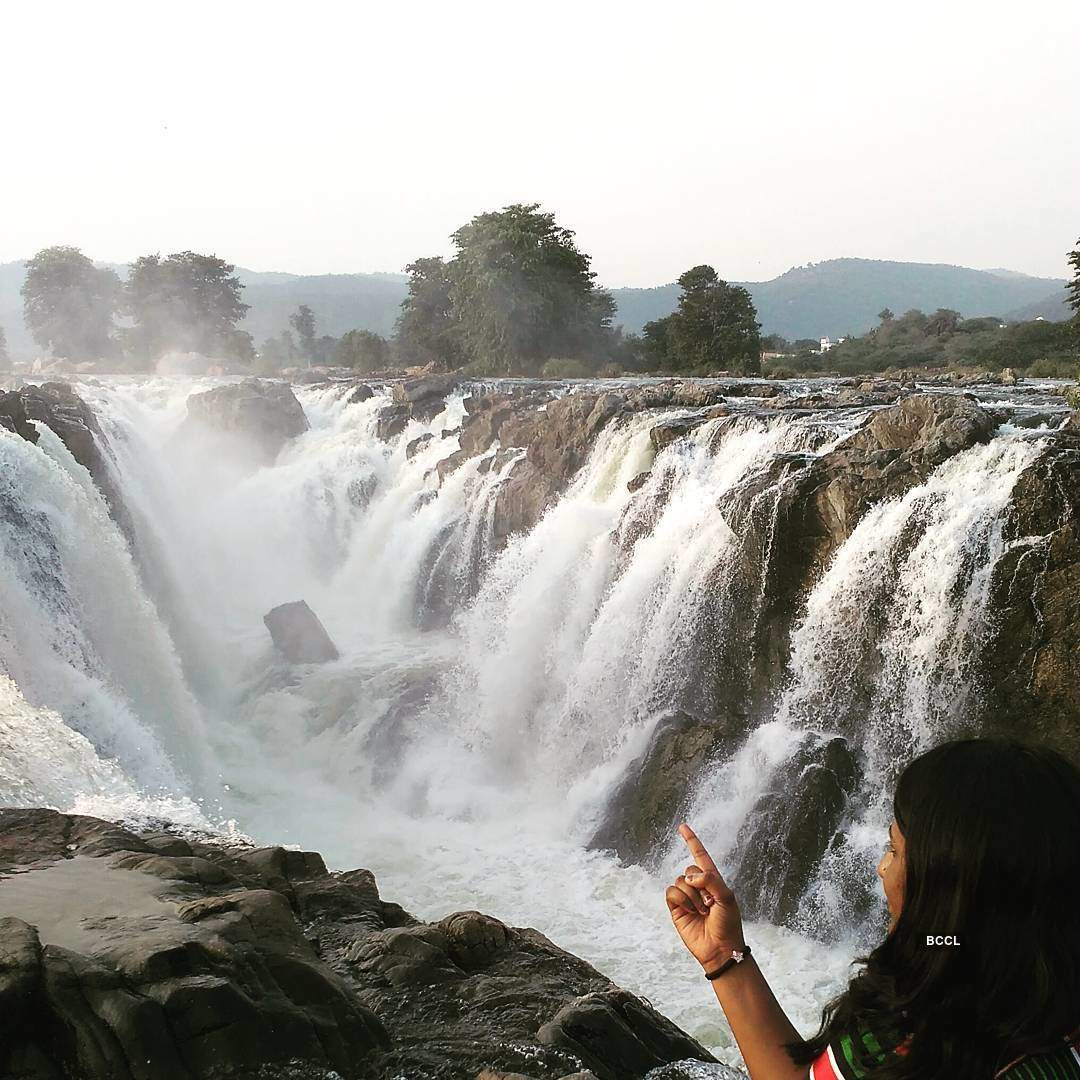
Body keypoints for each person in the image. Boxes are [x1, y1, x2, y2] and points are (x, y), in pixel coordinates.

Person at [666, 738, 1080, 1078]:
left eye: (894, 850)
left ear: (950, 892)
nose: (882, 867)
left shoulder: (905, 1038)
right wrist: (725, 956)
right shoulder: (1049, 1026)